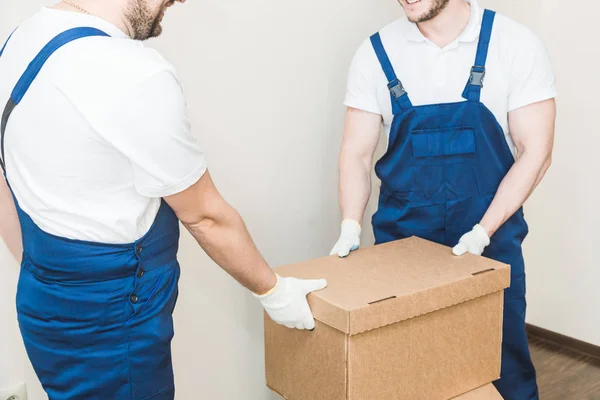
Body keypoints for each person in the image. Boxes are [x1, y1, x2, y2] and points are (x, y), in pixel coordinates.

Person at [0, 1, 327, 398]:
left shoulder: (22, 39)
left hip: (43, 307)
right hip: (111, 322)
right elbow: (205, 216)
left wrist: (44, 276)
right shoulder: (131, 72)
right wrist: (273, 291)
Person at [330, 0, 556, 398]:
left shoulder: (514, 44)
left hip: (490, 245)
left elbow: (535, 152)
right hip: (403, 251)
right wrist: (350, 223)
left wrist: (483, 231)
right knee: (407, 368)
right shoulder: (375, 52)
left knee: (502, 363)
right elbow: (356, 153)